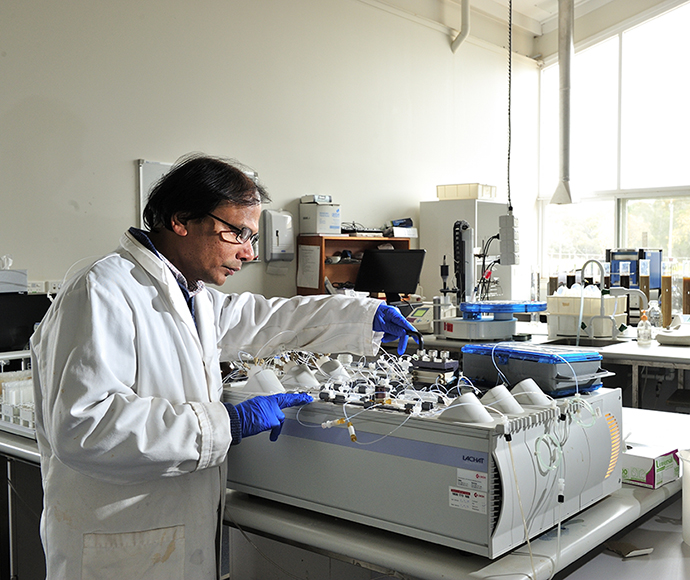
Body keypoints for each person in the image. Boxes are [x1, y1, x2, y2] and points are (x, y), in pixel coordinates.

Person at [30, 153, 418, 580]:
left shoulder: (191, 296)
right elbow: (85, 428)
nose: (249, 253)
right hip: (120, 547)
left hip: (172, 538)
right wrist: (224, 425)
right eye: (237, 234)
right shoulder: (103, 289)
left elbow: (268, 320)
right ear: (181, 220)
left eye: (252, 237)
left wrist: (362, 316)